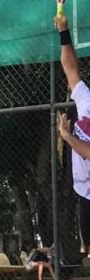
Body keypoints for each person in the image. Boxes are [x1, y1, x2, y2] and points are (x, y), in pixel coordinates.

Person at [56, 14, 90, 257]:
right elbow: (70, 68)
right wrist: (64, 32)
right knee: (87, 248)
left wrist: (67, 136)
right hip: (84, 190)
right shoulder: (86, 99)